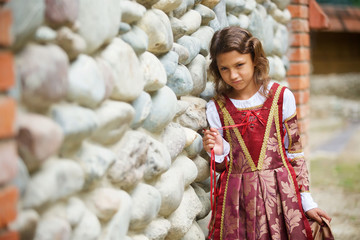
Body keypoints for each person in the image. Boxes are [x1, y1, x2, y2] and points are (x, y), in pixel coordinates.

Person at [202, 26, 333, 240]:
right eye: (224, 69)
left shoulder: (282, 97)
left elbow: (295, 153)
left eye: (239, 65)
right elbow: (222, 166)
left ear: (254, 59)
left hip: (281, 194)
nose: (233, 75)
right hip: (238, 199)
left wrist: (307, 201)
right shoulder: (216, 108)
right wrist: (217, 151)